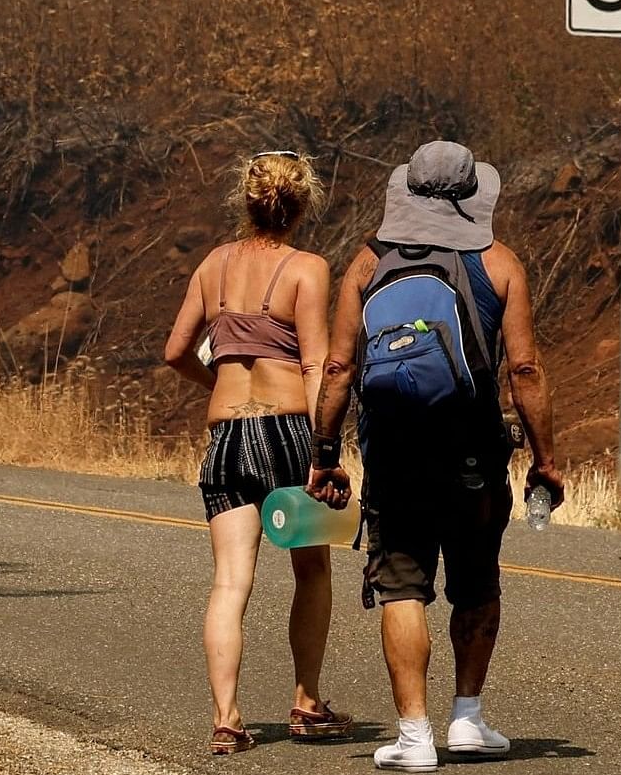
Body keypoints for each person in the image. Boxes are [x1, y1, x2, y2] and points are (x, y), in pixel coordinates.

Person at [311, 140, 559, 770]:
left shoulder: (367, 264)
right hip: (473, 453)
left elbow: (340, 365)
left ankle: (415, 736)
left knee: (402, 585)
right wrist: (545, 458)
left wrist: (325, 450)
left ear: (407, 192)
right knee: (476, 580)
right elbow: (525, 368)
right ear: (475, 194)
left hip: (393, 453)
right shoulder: (499, 263)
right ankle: (468, 719)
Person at [162, 150, 353, 756]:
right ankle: (306, 701)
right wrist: (327, 448)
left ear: (245, 201)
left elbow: (175, 351)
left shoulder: (212, 265)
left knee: (229, 582)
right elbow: (317, 362)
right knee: (312, 568)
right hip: (288, 431)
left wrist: (218, 385)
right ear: (302, 206)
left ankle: (226, 718)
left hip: (226, 439)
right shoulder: (307, 268)